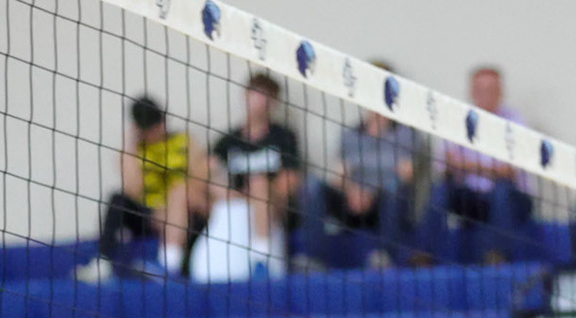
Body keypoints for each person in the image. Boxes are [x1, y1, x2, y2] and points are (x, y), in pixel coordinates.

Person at [187, 73, 300, 283]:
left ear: (273, 102)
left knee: (259, 183)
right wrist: (221, 191)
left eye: (266, 96)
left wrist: (258, 196)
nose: (259, 101)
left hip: (272, 205)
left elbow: (290, 181)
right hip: (232, 204)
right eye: (255, 94)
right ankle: (170, 263)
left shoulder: (284, 137)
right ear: (246, 96)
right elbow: (200, 177)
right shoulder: (227, 141)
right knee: (190, 189)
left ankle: (261, 260)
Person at [77, 96, 194, 283]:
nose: (157, 131)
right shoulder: (135, 150)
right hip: (148, 213)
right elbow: (133, 189)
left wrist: (170, 209)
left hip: (180, 212)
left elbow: (198, 182)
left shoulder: (183, 142)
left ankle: (169, 266)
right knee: (117, 199)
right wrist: (130, 143)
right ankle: (102, 262)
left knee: (179, 192)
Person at [427, 66, 533, 264]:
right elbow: (447, 164)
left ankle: (496, 256)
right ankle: (423, 256)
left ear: (501, 93)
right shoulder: (457, 119)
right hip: (471, 198)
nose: (486, 95)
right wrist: (490, 169)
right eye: (481, 90)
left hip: (511, 199)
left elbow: (510, 171)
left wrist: (466, 165)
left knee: (502, 190)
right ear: (472, 92)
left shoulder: (515, 120)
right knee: (440, 189)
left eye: (491, 90)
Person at [300, 98, 417, 271]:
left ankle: (384, 258)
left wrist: (372, 194)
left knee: (395, 191)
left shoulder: (405, 134)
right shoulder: (350, 135)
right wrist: (352, 191)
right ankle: (313, 260)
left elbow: (406, 175)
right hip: (352, 200)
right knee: (312, 185)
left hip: (382, 202)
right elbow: (338, 176)